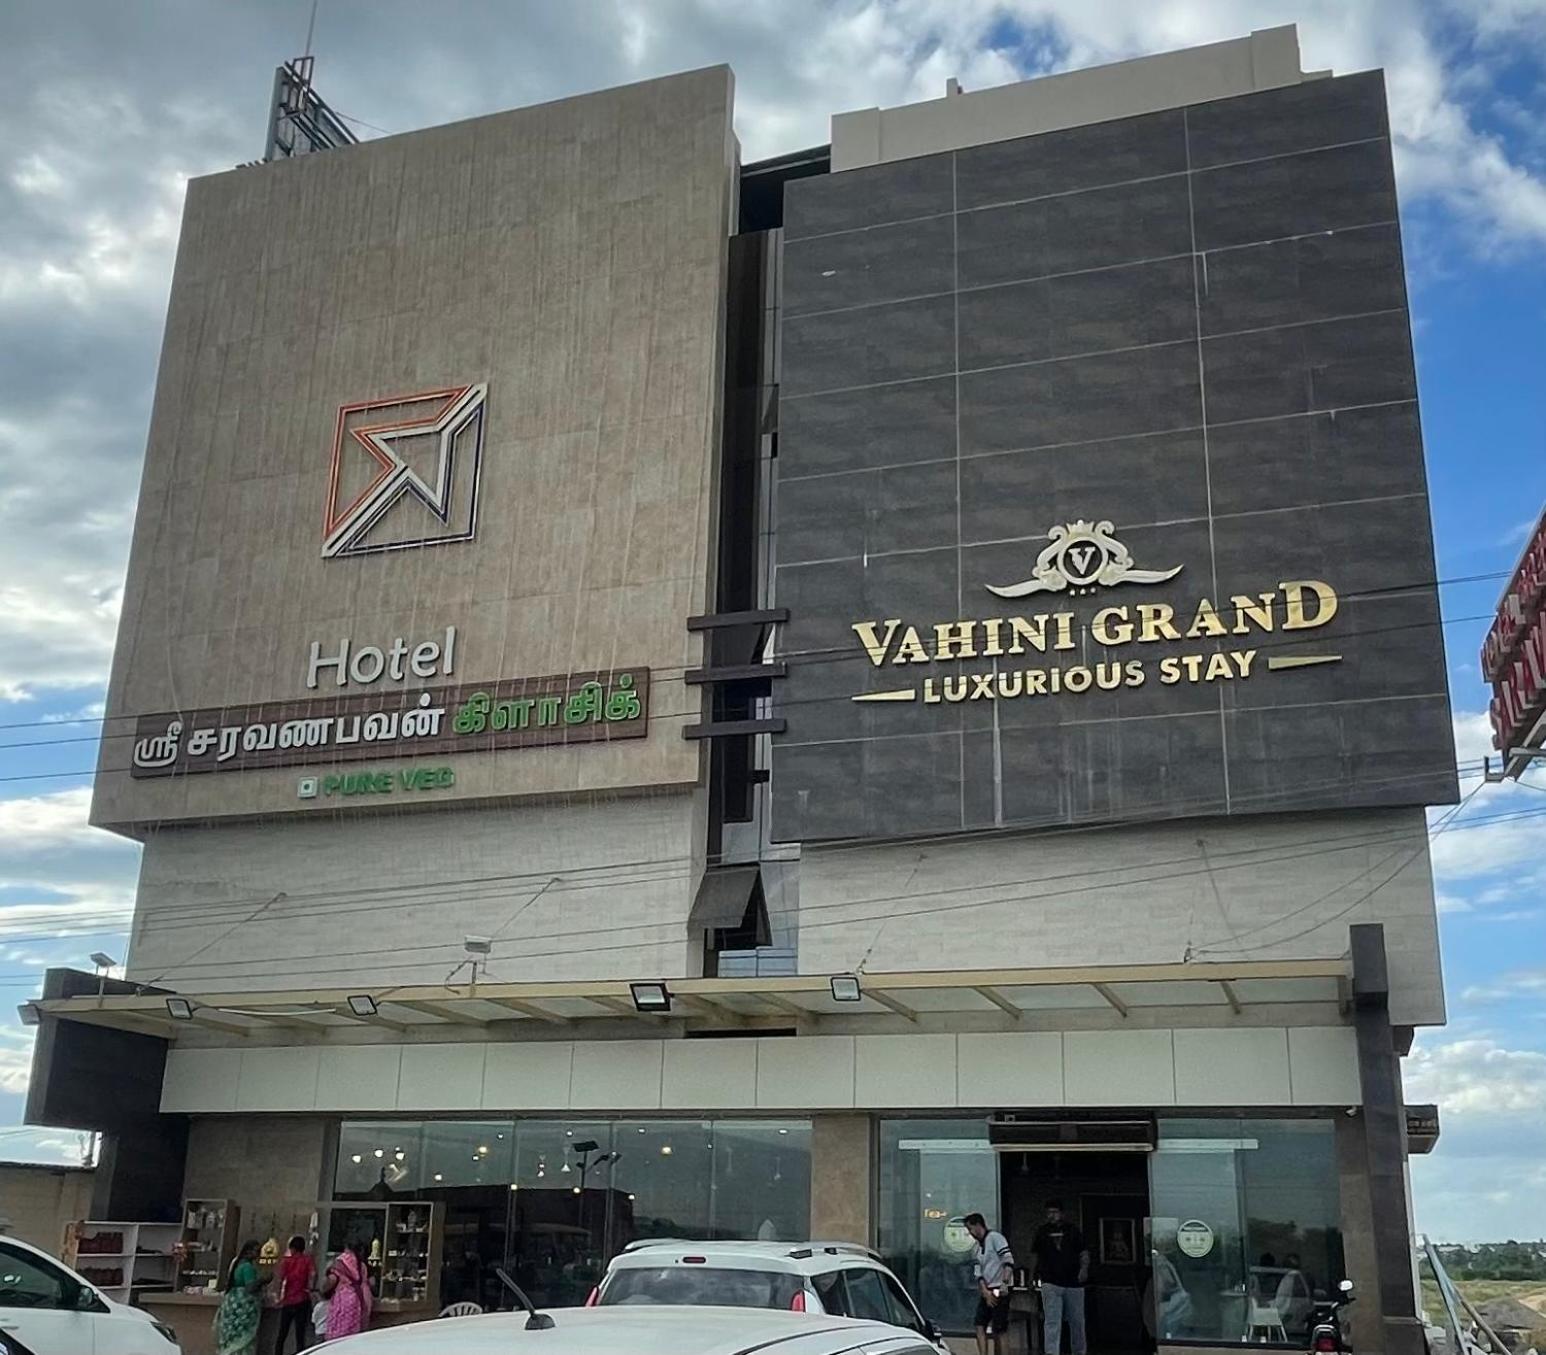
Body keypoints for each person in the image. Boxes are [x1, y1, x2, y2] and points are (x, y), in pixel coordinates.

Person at [1030, 1200, 1089, 1355]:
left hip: (1073, 1282)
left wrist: (1084, 1270)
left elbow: (1083, 1252)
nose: (1051, 1215)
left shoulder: (1073, 1231)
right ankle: (1051, 1352)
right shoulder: (1042, 1232)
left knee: (1077, 1321)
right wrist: (1034, 1276)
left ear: (1062, 1213)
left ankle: (1079, 1351)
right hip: (1050, 1281)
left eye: (1055, 1212)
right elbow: (1035, 1255)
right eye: (1049, 1212)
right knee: (1052, 1321)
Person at [964, 1211, 1015, 1355]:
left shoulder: (995, 1238)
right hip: (987, 1288)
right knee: (979, 1324)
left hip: (999, 1286)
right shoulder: (977, 1248)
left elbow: (1008, 1261)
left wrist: (1005, 1282)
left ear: (978, 1225)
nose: (970, 1233)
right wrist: (985, 1292)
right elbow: (978, 1274)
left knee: (1000, 1327)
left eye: (970, 1229)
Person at [213, 1241, 265, 1355]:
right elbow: (250, 1287)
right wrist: (263, 1280)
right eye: (256, 1251)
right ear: (248, 1251)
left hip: (232, 1304)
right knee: (243, 1339)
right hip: (242, 1306)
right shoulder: (247, 1267)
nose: (258, 1254)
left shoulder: (237, 1264)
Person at [322, 1237, 374, 1340]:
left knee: (339, 1334)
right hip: (359, 1299)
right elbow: (369, 1282)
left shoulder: (340, 1261)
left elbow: (331, 1281)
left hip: (343, 1299)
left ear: (346, 1247)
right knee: (353, 1334)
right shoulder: (362, 1264)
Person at [273, 1235, 315, 1354]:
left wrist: (277, 1297)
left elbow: (279, 1279)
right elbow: (312, 1275)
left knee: (282, 1333)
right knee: (300, 1334)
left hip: (288, 1300)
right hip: (303, 1299)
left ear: (292, 1248)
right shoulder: (307, 1260)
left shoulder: (286, 1261)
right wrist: (310, 1288)